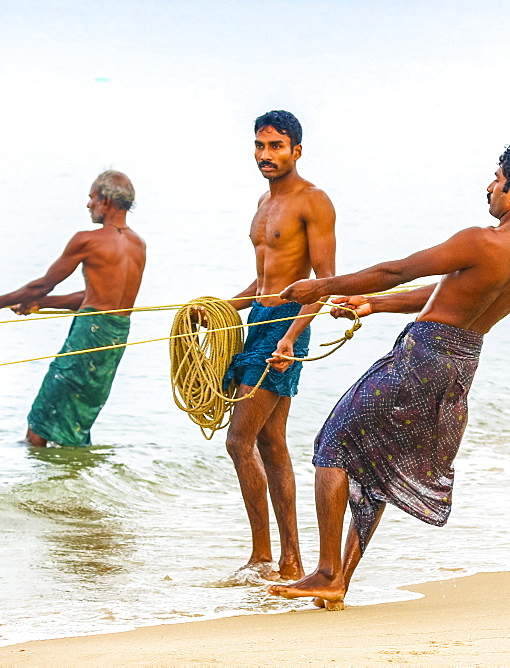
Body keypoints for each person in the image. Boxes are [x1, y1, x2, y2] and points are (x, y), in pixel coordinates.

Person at [268, 142, 510, 609]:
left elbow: (395, 270)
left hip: (421, 357)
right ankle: (338, 580)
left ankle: (325, 571)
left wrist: (324, 286)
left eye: (498, 179)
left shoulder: (481, 239)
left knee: (332, 444)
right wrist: (374, 304)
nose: (490, 186)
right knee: (382, 465)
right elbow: (451, 292)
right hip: (460, 368)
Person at [196, 110, 336, 582]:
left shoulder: (313, 202)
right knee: (271, 442)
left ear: (297, 150)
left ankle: (261, 557)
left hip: (285, 327)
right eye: (260, 145)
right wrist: (219, 308)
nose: (266, 155)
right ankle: (290, 559)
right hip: (259, 319)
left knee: (240, 440)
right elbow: (263, 280)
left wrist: (291, 341)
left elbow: (325, 282)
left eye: (276, 147)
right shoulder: (263, 202)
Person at [0, 170, 146, 447]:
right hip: (114, 342)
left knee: (41, 421)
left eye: (91, 198)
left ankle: (40, 479)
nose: (88, 204)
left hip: (87, 336)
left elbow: (44, 284)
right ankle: (71, 481)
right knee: (78, 417)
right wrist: (39, 304)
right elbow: (97, 297)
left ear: (107, 200)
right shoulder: (138, 245)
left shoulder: (88, 240)